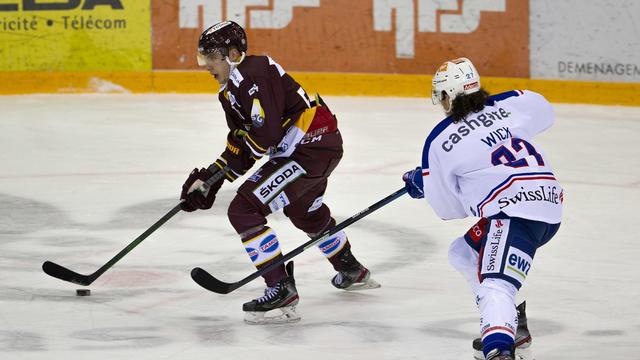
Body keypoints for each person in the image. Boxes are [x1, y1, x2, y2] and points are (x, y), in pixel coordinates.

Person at [180, 21, 380, 325]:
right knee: (305, 213)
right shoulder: (230, 92)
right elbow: (243, 145)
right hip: (316, 145)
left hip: (308, 146)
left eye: (213, 56)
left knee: (244, 210)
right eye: (203, 57)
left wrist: (220, 176)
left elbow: (266, 136)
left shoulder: (254, 72)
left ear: (233, 53)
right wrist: (210, 179)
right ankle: (351, 269)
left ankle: (279, 287)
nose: (207, 65)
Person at [402, 58, 562, 360]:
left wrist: (428, 180)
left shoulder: (439, 141)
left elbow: (449, 210)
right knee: (463, 252)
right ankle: (510, 322)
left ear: (446, 96)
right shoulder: (514, 103)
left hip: (515, 213)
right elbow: (544, 111)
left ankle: (499, 349)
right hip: (549, 206)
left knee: (496, 287)